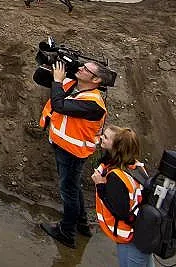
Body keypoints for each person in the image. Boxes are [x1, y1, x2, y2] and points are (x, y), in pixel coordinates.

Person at [38, 59, 108, 249]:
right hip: (65, 148)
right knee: (73, 186)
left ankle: (66, 232)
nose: (80, 69)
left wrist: (58, 81)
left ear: (96, 80)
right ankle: (82, 224)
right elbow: (40, 77)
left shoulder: (93, 104)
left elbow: (59, 105)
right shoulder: (76, 86)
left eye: (86, 69)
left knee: (68, 191)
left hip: (73, 153)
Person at [91, 125, 154, 267]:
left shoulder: (116, 177)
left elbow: (120, 211)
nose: (102, 138)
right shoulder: (137, 167)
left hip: (130, 239)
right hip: (144, 233)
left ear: (117, 147)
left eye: (106, 138)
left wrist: (100, 185)